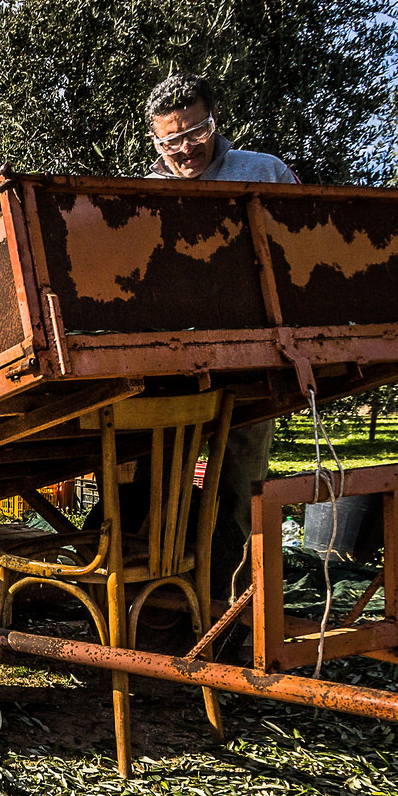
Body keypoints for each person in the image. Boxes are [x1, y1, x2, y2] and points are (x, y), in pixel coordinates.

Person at [143, 72, 296, 599]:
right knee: (158, 480)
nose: (184, 148)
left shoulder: (264, 172)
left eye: (195, 132)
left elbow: (296, 250)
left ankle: (241, 605)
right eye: (171, 139)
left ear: (215, 123)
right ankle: (170, 601)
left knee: (242, 484)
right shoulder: (143, 196)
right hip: (170, 368)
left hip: (251, 362)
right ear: (155, 141)